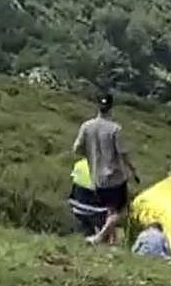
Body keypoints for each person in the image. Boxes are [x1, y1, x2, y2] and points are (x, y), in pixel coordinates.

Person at [73, 92, 140, 246]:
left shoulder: (87, 126)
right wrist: (133, 172)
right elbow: (123, 154)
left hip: (96, 176)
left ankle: (111, 241)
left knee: (109, 210)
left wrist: (91, 155)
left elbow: (77, 148)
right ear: (111, 107)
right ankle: (100, 237)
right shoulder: (115, 129)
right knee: (120, 211)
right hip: (115, 177)